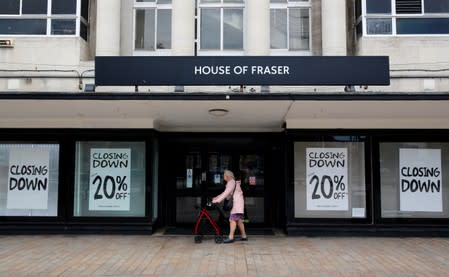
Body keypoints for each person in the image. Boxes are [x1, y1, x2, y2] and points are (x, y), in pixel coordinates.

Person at [212, 169, 247, 243]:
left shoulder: (231, 183)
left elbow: (226, 193)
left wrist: (217, 200)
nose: (223, 177)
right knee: (239, 220)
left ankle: (231, 237)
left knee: (232, 219)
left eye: (224, 175)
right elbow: (226, 193)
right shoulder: (231, 182)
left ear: (227, 176)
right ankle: (244, 236)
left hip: (237, 204)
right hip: (238, 203)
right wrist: (216, 197)